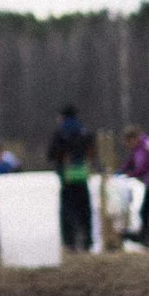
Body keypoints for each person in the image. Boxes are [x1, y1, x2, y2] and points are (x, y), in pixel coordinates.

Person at [46, 104, 95, 251]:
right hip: (81, 176)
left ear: (63, 117)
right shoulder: (84, 132)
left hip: (66, 177)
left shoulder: (60, 134)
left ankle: (70, 242)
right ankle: (87, 240)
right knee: (84, 209)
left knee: (68, 210)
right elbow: (92, 151)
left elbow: (51, 154)